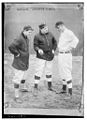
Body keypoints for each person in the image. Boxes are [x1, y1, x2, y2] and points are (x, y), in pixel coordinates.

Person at [8, 25, 33, 102]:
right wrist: (16, 53)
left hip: (24, 61)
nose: (30, 34)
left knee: (24, 76)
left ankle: (23, 88)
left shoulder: (26, 38)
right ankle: (16, 97)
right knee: (17, 78)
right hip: (19, 62)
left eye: (31, 32)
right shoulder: (19, 38)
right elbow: (11, 46)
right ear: (24, 31)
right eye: (29, 32)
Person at [55, 21, 79, 96]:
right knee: (62, 71)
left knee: (67, 72)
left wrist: (70, 47)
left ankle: (70, 93)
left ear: (62, 26)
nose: (58, 29)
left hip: (66, 55)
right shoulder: (62, 33)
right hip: (61, 54)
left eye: (58, 28)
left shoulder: (68, 32)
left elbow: (76, 40)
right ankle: (64, 89)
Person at [33, 23, 57, 91]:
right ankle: (35, 86)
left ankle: (50, 86)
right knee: (39, 71)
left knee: (49, 70)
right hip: (41, 56)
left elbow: (55, 43)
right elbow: (35, 46)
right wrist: (38, 49)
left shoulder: (51, 34)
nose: (47, 29)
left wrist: (53, 49)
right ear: (41, 29)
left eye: (47, 28)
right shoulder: (37, 36)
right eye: (45, 29)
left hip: (50, 56)